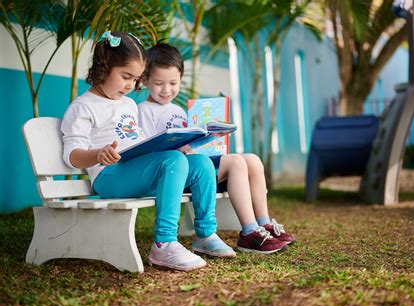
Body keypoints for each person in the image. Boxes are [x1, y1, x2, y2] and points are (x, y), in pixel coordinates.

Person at [61, 31, 236, 272]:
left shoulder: (128, 104)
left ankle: (205, 235)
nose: (131, 85)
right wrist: (97, 154)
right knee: (172, 161)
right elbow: (71, 155)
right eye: (125, 77)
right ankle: (164, 244)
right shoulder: (83, 107)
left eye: (135, 79)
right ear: (104, 67)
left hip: (135, 170)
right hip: (109, 177)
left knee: (201, 164)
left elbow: (136, 140)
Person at [138, 42, 295, 254]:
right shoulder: (143, 111)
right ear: (145, 79)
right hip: (174, 176)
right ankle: (249, 233)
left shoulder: (178, 111)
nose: (167, 90)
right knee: (236, 162)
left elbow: (189, 144)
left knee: (253, 160)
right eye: (159, 83)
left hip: (194, 166)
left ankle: (264, 224)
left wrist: (209, 137)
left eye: (173, 83)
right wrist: (177, 151)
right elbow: (147, 152)